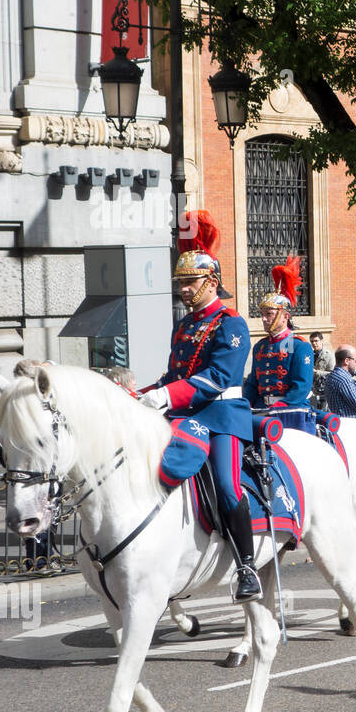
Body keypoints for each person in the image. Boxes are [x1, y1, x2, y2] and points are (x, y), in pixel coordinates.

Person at [139, 211, 260, 602]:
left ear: (212, 282)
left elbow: (218, 378)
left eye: (190, 282)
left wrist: (167, 396)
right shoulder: (185, 325)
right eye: (180, 283)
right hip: (185, 414)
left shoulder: (230, 323)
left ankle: (247, 567)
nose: (184, 289)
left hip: (223, 416)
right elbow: (174, 373)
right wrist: (142, 393)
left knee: (226, 486)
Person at [244, 256, 315, 428]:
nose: (263, 318)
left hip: (290, 410)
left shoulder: (298, 345)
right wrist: (245, 404)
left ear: (285, 316)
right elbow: (253, 383)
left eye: (268, 314)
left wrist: (280, 406)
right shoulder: (260, 346)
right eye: (262, 314)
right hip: (262, 409)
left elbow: (301, 386)